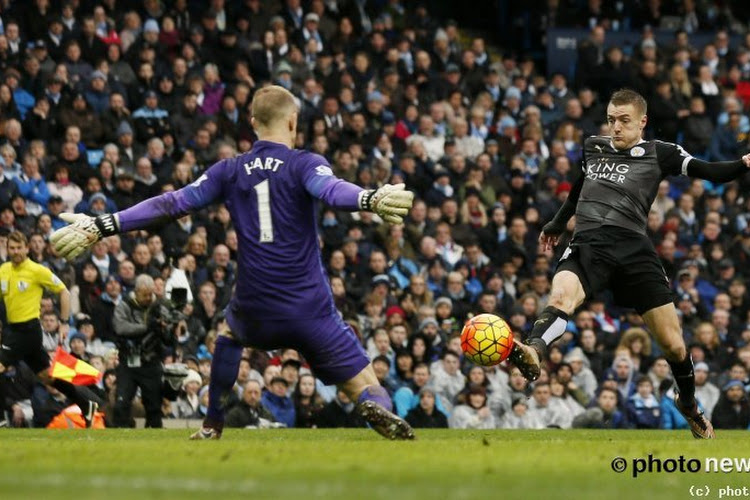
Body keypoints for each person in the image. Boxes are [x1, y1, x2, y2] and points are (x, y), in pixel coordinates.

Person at [50, 85, 415, 440]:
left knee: (228, 334)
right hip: (309, 308)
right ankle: (373, 404)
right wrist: (369, 199)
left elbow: (172, 203)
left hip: (254, 305)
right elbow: (332, 190)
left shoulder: (230, 169)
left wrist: (102, 224)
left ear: (253, 122)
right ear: (292, 123)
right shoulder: (305, 162)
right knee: (366, 382)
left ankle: (212, 425)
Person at [511, 89, 750, 439]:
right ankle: (533, 350)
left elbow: (709, 172)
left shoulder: (660, 152)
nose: (616, 128)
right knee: (561, 298)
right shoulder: (593, 146)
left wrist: (742, 164)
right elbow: (582, 185)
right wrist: (557, 223)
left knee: (674, 346)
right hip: (588, 243)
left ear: (642, 121)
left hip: (634, 250)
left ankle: (687, 402)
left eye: (624, 120)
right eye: (611, 120)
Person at [0, 231, 98, 426]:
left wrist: (64, 322)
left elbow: (64, 291)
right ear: (7, 249)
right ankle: (86, 404)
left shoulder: (37, 270)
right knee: (47, 376)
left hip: (28, 330)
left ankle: (2, 417)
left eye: (19, 248)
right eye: (12, 248)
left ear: (27, 249)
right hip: (13, 330)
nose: (16, 251)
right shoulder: (3, 270)